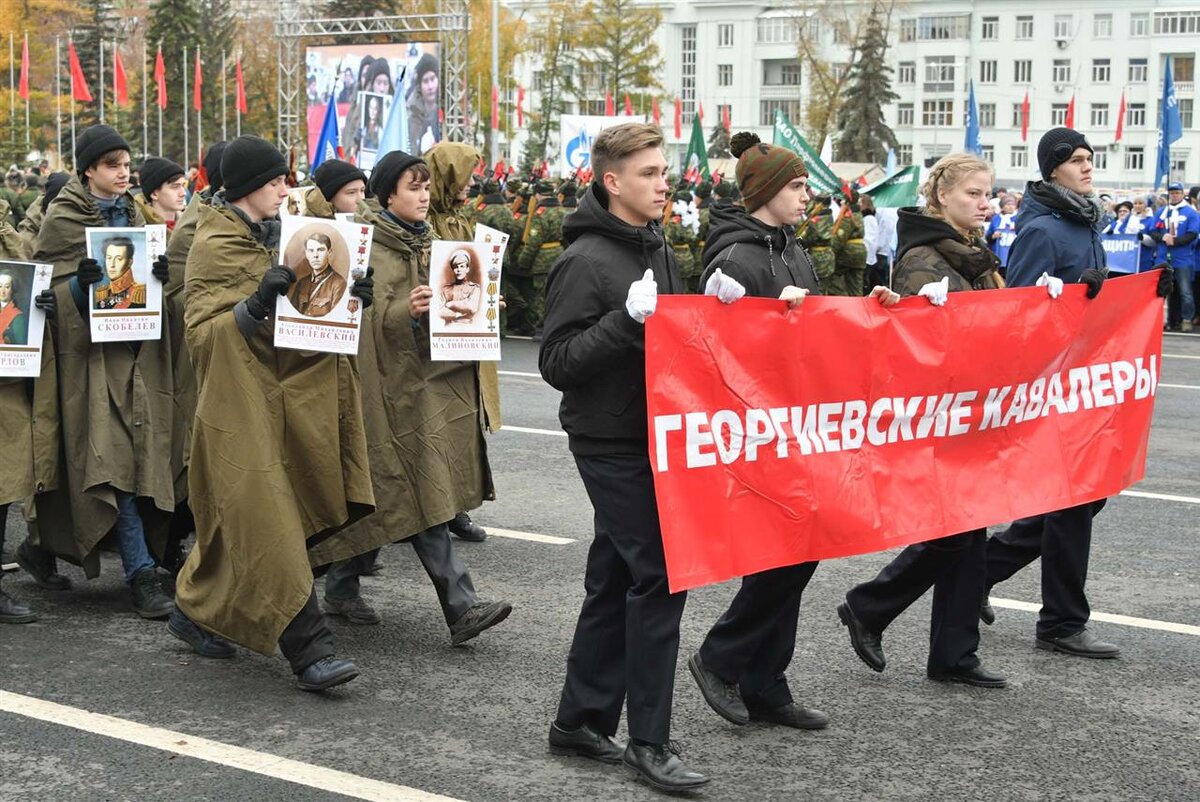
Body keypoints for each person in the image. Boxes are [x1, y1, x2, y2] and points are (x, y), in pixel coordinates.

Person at [687, 132, 900, 731]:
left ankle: (767, 683)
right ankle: (719, 658)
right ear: (765, 191)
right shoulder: (734, 259)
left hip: (799, 425)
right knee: (784, 558)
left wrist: (872, 307)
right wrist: (769, 323)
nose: (809, 195)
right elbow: (713, 355)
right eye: (798, 185)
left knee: (795, 554)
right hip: (757, 432)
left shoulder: (791, 248)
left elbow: (819, 328)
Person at [170, 135, 376, 691]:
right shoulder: (213, 244)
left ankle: (191, 606)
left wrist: (352, 300)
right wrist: (255, 302)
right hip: (238, 400)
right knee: (268, 520)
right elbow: (202, 337)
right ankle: (311, 651)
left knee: (277, 515)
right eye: (277, 180)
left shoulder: (285, 235)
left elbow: (307, 321)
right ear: (251, 187)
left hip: (290, 394)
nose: (288, 187)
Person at [540, 122, 708, 793]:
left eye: (665, 172)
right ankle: (648, 741)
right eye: (649, 173)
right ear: (613, 182)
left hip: (651, 432)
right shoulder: (584, 261)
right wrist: (623, 323)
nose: (665, 183)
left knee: (615, 579)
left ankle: (578, 721)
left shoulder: (652, 244)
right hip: (610, 439)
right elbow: (556, 362)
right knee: (663, 575)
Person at [984, 128, 1174, 658]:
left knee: (1082, 500)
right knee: (1075, 501)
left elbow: (1086, 289)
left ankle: (979, 573)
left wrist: (1136, 288)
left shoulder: (1083, 218)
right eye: (1078, 160)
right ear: (1053, 169)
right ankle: (1062, 623)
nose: (1089, 168)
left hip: (1082, 383)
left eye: (1092, 159)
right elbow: (1022, 310)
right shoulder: (1043, 230)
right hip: (1052, 388)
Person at [321, 150, 512, 638]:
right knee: (418, 493)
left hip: (424, 384)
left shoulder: (434, 242)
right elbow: (347, 321)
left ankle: (340, 587)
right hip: (381, 389)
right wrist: (398, 311)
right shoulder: (361, 246)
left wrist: (482, 305)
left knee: (387, 497)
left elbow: (455, 303)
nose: (425, 195)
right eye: (413, 187)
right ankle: (460, 606)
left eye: (427, 186)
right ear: (387, 194)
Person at [838, 153, 1011, 689]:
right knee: (954, 534)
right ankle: (869, 606)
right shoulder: (922, 257)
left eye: (988, 193)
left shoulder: (971, 250)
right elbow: (920, 346)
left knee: (970, 530)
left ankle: (954, 653)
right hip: (942, 414)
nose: (984, 203)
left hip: (975, 409)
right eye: (972, 194)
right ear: (940, 198)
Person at [22, 124, 176, 618]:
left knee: (132, 461)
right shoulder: (63, 218)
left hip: (133, 357)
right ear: (89, 169)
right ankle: (140, 573)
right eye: (112, 164)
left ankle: (41, 547)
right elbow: (47, 293)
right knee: (111, 467)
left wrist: (159, 275)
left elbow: (150, 286)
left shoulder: (137, 214)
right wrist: (74, 287)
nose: (123, 172)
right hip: (87, 363)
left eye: (126, 164)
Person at [425, 141, 500, 543]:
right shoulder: (424, 219)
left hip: (464, 340)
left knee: (464, 426)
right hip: (433, 343)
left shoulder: (459, 218)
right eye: (466, 175)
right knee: (435, 428)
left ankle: (456, 507)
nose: (473, 183)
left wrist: (490, 294)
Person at [1143, 182, 1198, 332]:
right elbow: (1153, 231)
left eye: (1177, 192)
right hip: (1162, 258)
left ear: (1182, 193)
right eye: (1172, 193)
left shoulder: (1190, 212)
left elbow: (1192, 234)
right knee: (1161, 290)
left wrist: (1175, 241)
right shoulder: (1162, 211)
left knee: (1185, 291)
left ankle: (1186, 319)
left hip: (1182, 258)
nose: (1174, 195)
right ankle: (1164, 319)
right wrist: (1163, 237)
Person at [516, 179, 568, 333]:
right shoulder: (562, 211)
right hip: (560, 254)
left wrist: (523, 261)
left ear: (538, 195)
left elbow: (534, 241)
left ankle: (542, 327)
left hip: (543, 259)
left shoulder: (540, 213)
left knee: (540, 295)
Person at [288, 232, 348, 318]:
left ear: (329, 252)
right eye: (311, 251)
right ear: (306, 254)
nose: (315, 255)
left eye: (320, 250)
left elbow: (337, 318)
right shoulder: (302, 282)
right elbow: (290, 315)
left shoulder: (338, 283)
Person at [93, 236, 147, 310]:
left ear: (130, 262)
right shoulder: (102, 294)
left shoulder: (141, 293)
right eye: (109, 258)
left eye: (118, 259)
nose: (112, 264)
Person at [135, 157, 188, 232]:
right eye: (175, 187)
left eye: (183, 186)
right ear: (154, 194)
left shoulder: (190, 227)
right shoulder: (139, 229)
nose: (183, 193)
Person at [407, 53, 441, 156]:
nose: (430, 86)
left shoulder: (448, 111)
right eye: (425, 81)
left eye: (433, 79)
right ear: (419, 86)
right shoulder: (412, 116)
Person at [438, 248, 481, 324]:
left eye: (462, 266)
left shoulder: (474, 288)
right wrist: (460, 314)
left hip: (468, 328)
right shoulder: (446, 290)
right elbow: (439, 312)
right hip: (448, 329)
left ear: (467, 269)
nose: (458, 270)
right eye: (456, 267)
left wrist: (449, 304)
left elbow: (472, 308)